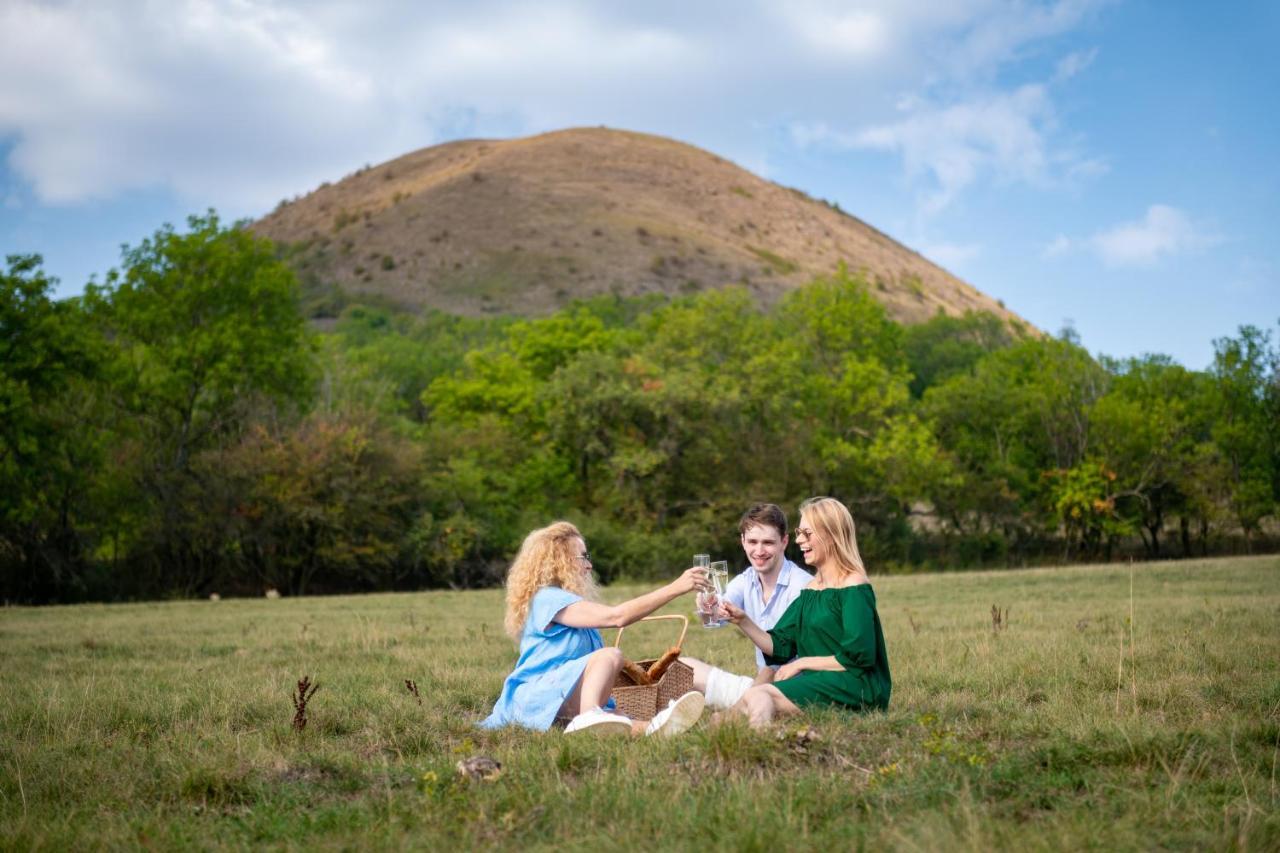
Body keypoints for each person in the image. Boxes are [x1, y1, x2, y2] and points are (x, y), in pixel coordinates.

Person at [480, 521, 709, 736]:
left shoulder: (566, 603)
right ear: (560, 560)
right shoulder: (548, 598)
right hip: (535, 696)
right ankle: (589, 716)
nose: (589, 565)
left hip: (557, 696)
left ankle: (660, 726)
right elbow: (617, 616)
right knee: (610, 656)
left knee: (622, 721)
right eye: (583, 557)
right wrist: (675, 588)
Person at [718, 497, 891, 728]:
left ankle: (759, 746)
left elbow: (858, 656)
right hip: (821, 682)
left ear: (830, 535)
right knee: (735, 710)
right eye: (800, 532)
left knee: (759, 695)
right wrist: (742, 620)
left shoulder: (854, 586)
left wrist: (801, 664)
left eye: (807, 534)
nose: (799, 540)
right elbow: (780, 646)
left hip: (857, 686)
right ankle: (691, 733)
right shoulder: (811, 590)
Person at [680, 503, 813, 709]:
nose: (759, 551)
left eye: (768, 542)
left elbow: (778, 663)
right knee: (682, 668)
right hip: (761, 685)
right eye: (752, 541)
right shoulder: (747, 579)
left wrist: (748, 698)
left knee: (764, 681)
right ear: (743, 542)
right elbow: (717, 617)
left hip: (796, 690)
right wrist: (707, 608)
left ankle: (740, 709)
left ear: (784, 542)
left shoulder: (802, 586)